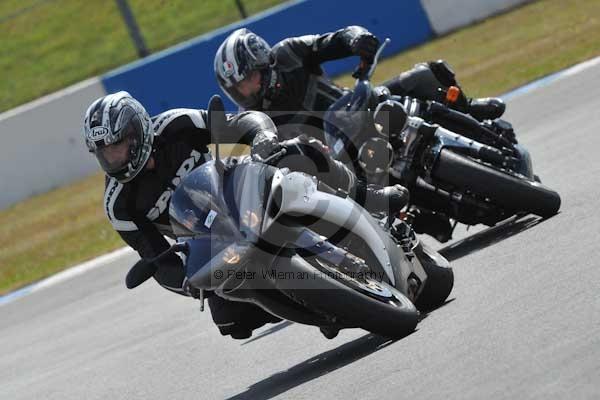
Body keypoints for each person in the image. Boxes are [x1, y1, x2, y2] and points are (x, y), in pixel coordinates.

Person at [83, 91, 408, 339]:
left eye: (118, 146)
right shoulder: (119, 205)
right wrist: (188, 283)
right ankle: (323, 306)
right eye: (104, 153)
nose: (114, 158)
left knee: (297, 151)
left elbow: (238, 124)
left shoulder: (174, 125)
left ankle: (370, 199)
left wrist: (261, 137)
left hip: (236, 190)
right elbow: (156, 259)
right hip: (208, 240)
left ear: (137, 129)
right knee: (229, 321)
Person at [214, 26, 506, 140]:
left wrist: (357, 39)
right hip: (339, 160)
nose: (246, 90)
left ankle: (469, 110)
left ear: (264, 63)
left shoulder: (288, 52)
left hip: (363, 106)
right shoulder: (254, 122)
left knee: (426, 74)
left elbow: (334, 39)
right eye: (239, 87)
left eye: (249, 78)